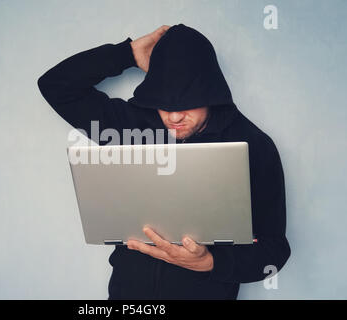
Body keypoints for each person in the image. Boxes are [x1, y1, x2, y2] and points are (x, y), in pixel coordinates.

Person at [37, 23, 291, 299]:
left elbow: (273, 249)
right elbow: (56, 86)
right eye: (164, 104)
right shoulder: (131, 127)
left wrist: (211, 263)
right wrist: (127, 54)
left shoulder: (254, 145)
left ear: (211, 92)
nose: (173, 117)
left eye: (187, 103)